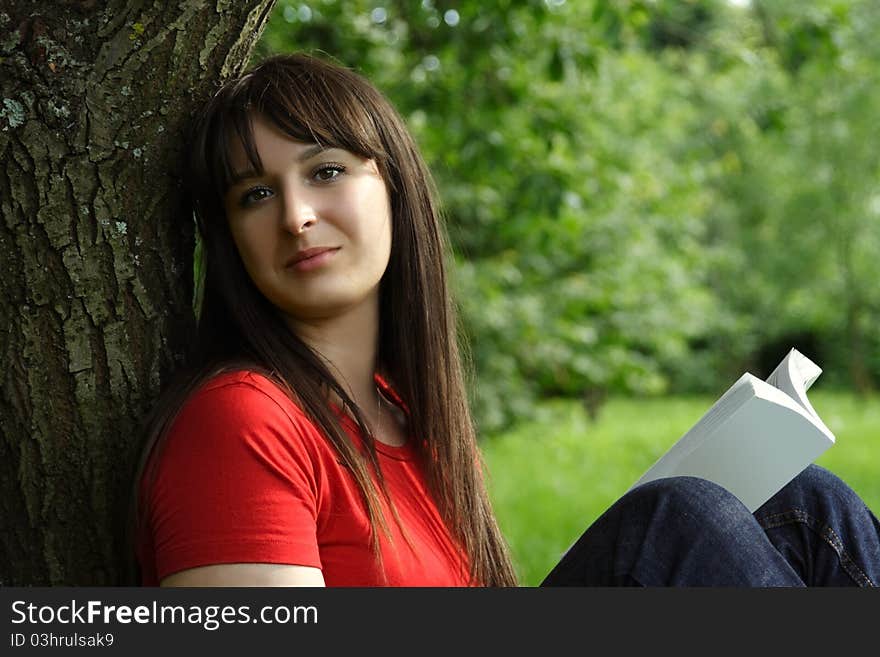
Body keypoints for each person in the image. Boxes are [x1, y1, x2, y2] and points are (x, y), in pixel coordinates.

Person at [132, 52, 880, 588]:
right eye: (254, 195)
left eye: (325, 171)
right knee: (672, 519)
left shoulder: (412, 414)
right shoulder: (240, 421)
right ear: (229, 236)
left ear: (393, 188)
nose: (296, 216)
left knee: (808, 504)